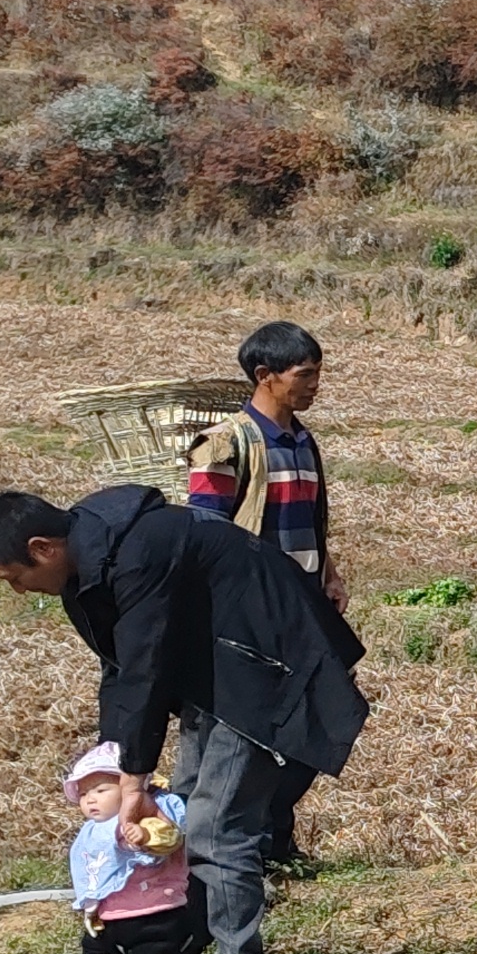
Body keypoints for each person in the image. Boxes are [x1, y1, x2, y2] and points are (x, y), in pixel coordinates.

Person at [0, 481, 370, 954]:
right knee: (183, 817)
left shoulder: (139, 549)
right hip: (222, 674)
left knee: (218, 829)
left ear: (42, 547)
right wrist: (113, 767)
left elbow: (147, 665)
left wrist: (134, 781)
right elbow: (119, 671)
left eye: (15, 577)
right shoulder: (89, 566)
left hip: (273, 671)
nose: (22, 591)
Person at [188, 318, 344, 872]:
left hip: (302, 603)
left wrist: (328, 571)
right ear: (265, 376)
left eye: (317, 374)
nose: (314, 385)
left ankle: (272, 834)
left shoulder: (303, 440)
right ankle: (241, 842)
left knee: (319, 720)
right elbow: (205, 534)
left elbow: (308, 519)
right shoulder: (224, 444)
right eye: (304, 375)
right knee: (244, 730)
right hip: (251, 614)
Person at [61, 740, 199, 954]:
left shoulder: (143, 814)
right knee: (104, 950)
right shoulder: (92, 830)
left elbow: (168, 837)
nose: (91, 799)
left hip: (153, 909)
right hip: (113, 914)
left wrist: (146, 835)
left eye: (101, 790)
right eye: (85, 794)